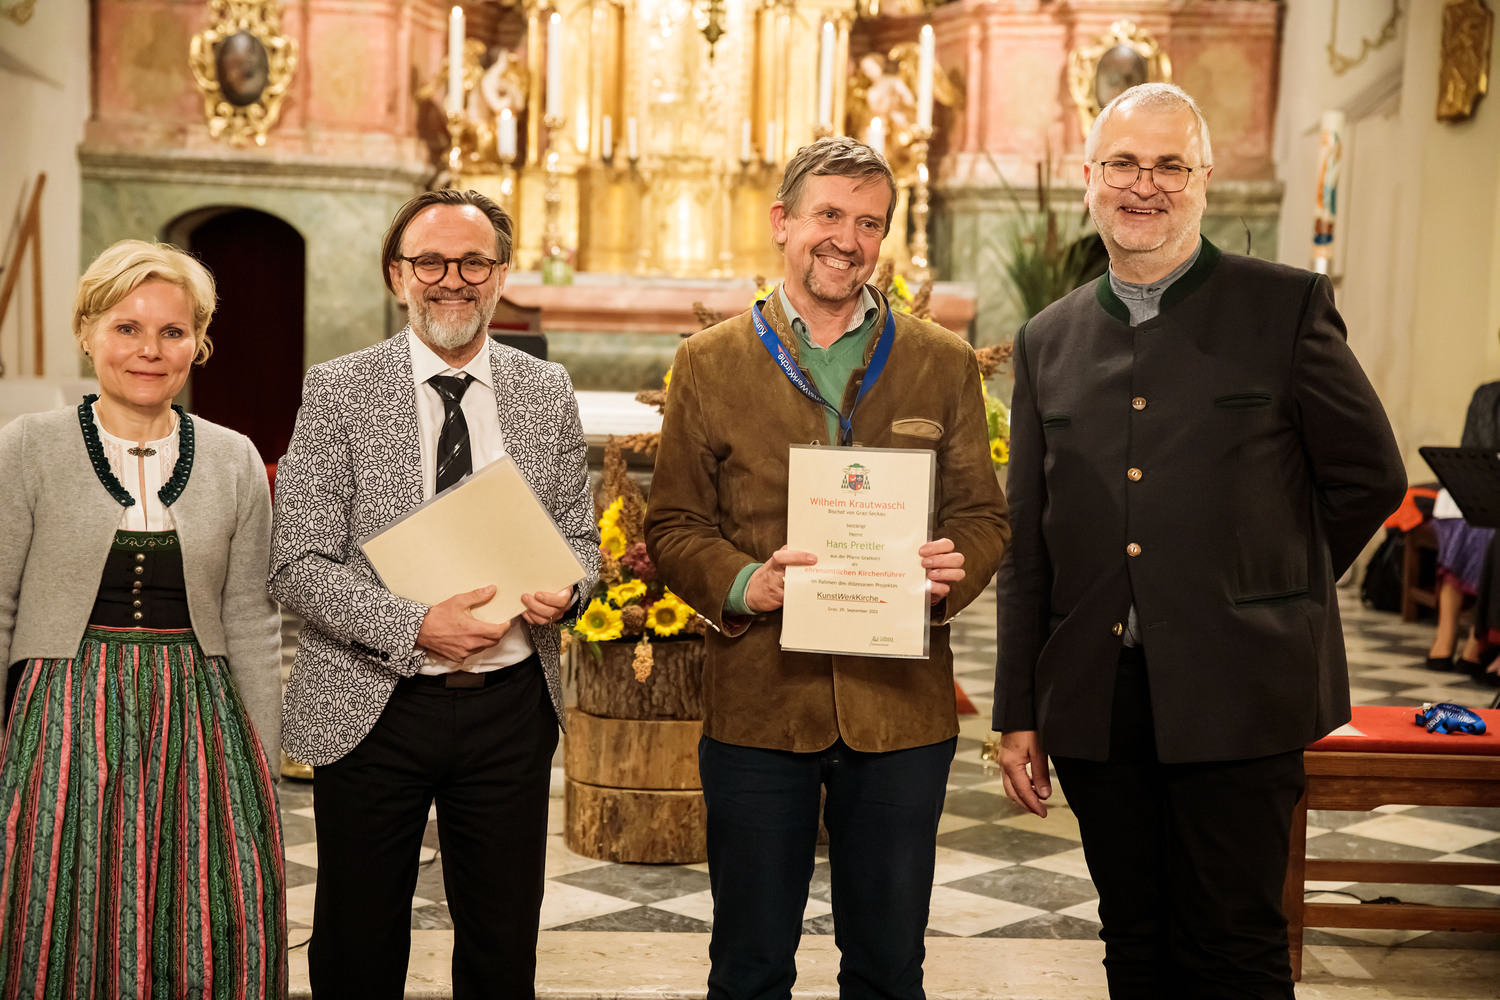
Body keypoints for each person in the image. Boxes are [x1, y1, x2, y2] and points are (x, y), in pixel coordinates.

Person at [994, 84, 1405, 999]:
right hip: (1099, 698)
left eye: (1169, 165)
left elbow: (1369, 476)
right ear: (1090, 178)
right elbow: (1031, 544)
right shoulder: (1047, 340)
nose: (1145, 185)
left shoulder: (1284, 307)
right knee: (1134, 941)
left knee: (1235, 948)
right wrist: (1019, 710)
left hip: (1242, 685)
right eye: (1124, 165)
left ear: (1204, 179)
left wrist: (1267, 582)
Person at [645, 137, 1009, 1000]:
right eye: (829, 216)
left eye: (869, 223)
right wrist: (748, 583)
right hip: (760, 702)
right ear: (783, 222)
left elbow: (983, 516)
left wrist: (951, 570)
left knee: (889, 968)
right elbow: (674, 524)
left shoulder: (940, 360)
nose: (847, 240)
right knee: (749, 967)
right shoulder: (710, 361)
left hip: (900, 710)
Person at [271, 188, 599, 999]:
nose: (452, 279)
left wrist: (571, 589)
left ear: (502, 273)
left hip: (509, 708)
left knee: (501, 948)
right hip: (373, 703)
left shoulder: (545, 389)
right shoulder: (341, 389)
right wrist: (415, 624)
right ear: (397, 275)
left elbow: (581, 541)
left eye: (474, 262)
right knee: (357, 947)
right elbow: (296, 563)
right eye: (430, 262)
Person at [0, 240, 286, 997]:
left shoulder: (233, 458)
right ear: (86, 331)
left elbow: (251, 617)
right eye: (126, 328)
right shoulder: (26, 446)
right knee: (62, 907)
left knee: (201, 915)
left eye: (172, 331)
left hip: (198, 720)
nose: (149, 351)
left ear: (199, 343)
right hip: (63, 716)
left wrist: (262, 760)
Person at [1426, 380, 1500, 684]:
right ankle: (1447, 631)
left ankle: (1475, 637)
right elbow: (1471, 450)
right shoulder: (1487, 394)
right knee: (1463, 515)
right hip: (1488, 479)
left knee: (1488, 528)